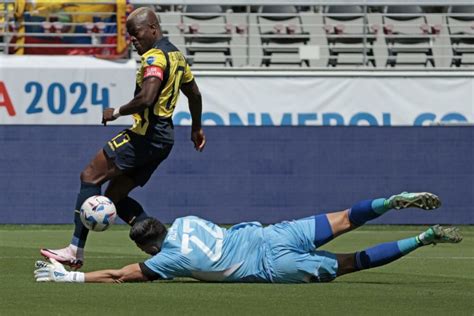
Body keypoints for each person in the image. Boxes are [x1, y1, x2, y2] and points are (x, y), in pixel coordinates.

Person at [40, 7, 206, 269]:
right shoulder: (177, 56)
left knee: (90, 176)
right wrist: (196, 128)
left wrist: (116, 111)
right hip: (163, 140)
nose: (134, 40)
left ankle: (74, 249)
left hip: (145, 135)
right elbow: (194, 94)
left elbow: (147, 98)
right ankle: (166, 249)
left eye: (137, 33)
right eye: (129, 36)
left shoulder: (154, 58)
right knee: (114, 197)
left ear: (153, 28)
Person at [34, 192, 462, 284]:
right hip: (271, 234)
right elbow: (145, 222)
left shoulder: (167, 261)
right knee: (348, 217)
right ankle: (391, 202)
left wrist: (67, 278)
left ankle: (424, 237)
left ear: (148, 247)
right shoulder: (185, 220)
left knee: (354, 262)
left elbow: (119, 276)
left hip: (271, 266)